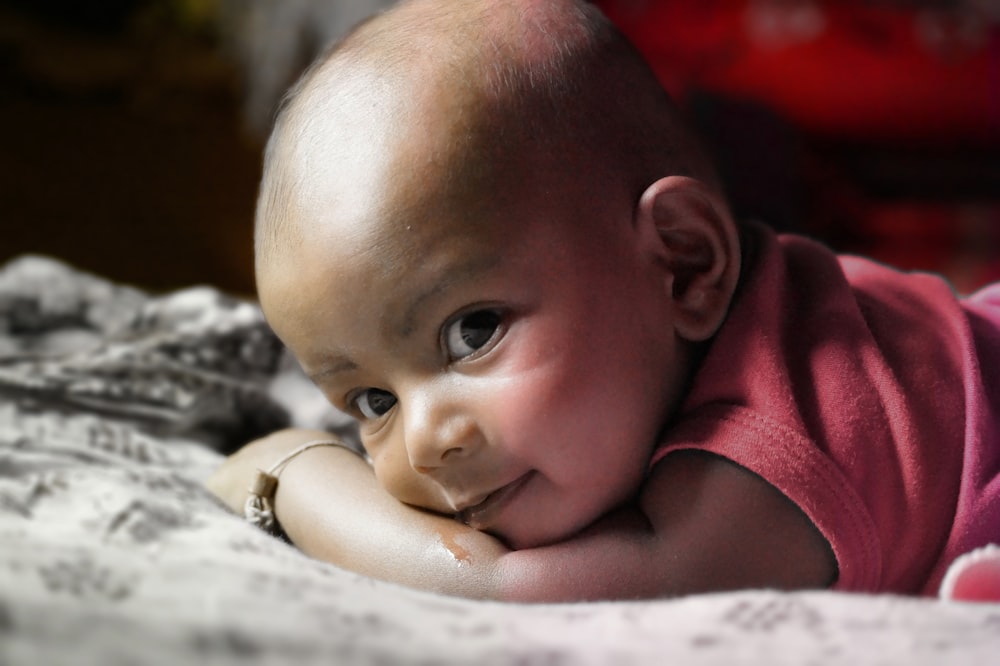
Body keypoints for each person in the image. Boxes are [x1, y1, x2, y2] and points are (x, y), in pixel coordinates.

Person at [207, 0, 1000, 602]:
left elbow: (508, 590)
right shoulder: (690, 326)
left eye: (471, 333)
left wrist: (289, 472)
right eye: (371, 399)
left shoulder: (771, 456)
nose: (424, 444)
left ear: (686, 264)